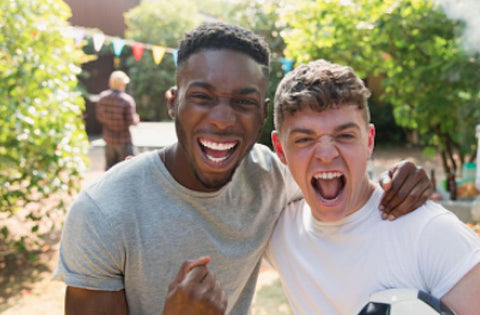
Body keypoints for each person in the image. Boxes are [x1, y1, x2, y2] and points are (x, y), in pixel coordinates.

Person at [54, 23, 433, 314]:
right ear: (173, 103)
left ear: (261, 113)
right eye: (202, 97)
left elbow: (335, 178)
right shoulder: (103, 213)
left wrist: (401, 178)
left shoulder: (270, 176)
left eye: (243, 101)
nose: (222, 120)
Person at [266, 59, 480, 314]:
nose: (325, 153)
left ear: (369, 141)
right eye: (304, 139)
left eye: (345, 136)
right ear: (280, 149)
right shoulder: (279, 229)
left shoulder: (431, 234)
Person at [96, 70, 140, 170]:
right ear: (122, 84)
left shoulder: (102, 98)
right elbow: (131, 121)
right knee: (127, 169)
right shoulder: (127, 100)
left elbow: (99, 117)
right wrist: (137, 119)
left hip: (108, 139)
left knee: (110, 170)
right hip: (123, 140)